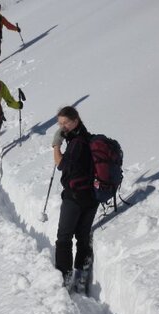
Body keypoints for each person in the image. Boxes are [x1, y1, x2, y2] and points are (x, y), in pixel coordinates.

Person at [51, 106, 98, 292]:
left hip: (75, 196)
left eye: (66, 123)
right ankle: (81, 275)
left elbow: (61, 164)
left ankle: (65, 276)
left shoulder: (77, 142)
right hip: (91, 197)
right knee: (83, 236)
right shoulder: (87, 138)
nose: (62, 127)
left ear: (76, 120)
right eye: (60, 123)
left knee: (64, 237)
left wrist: (56, 145)